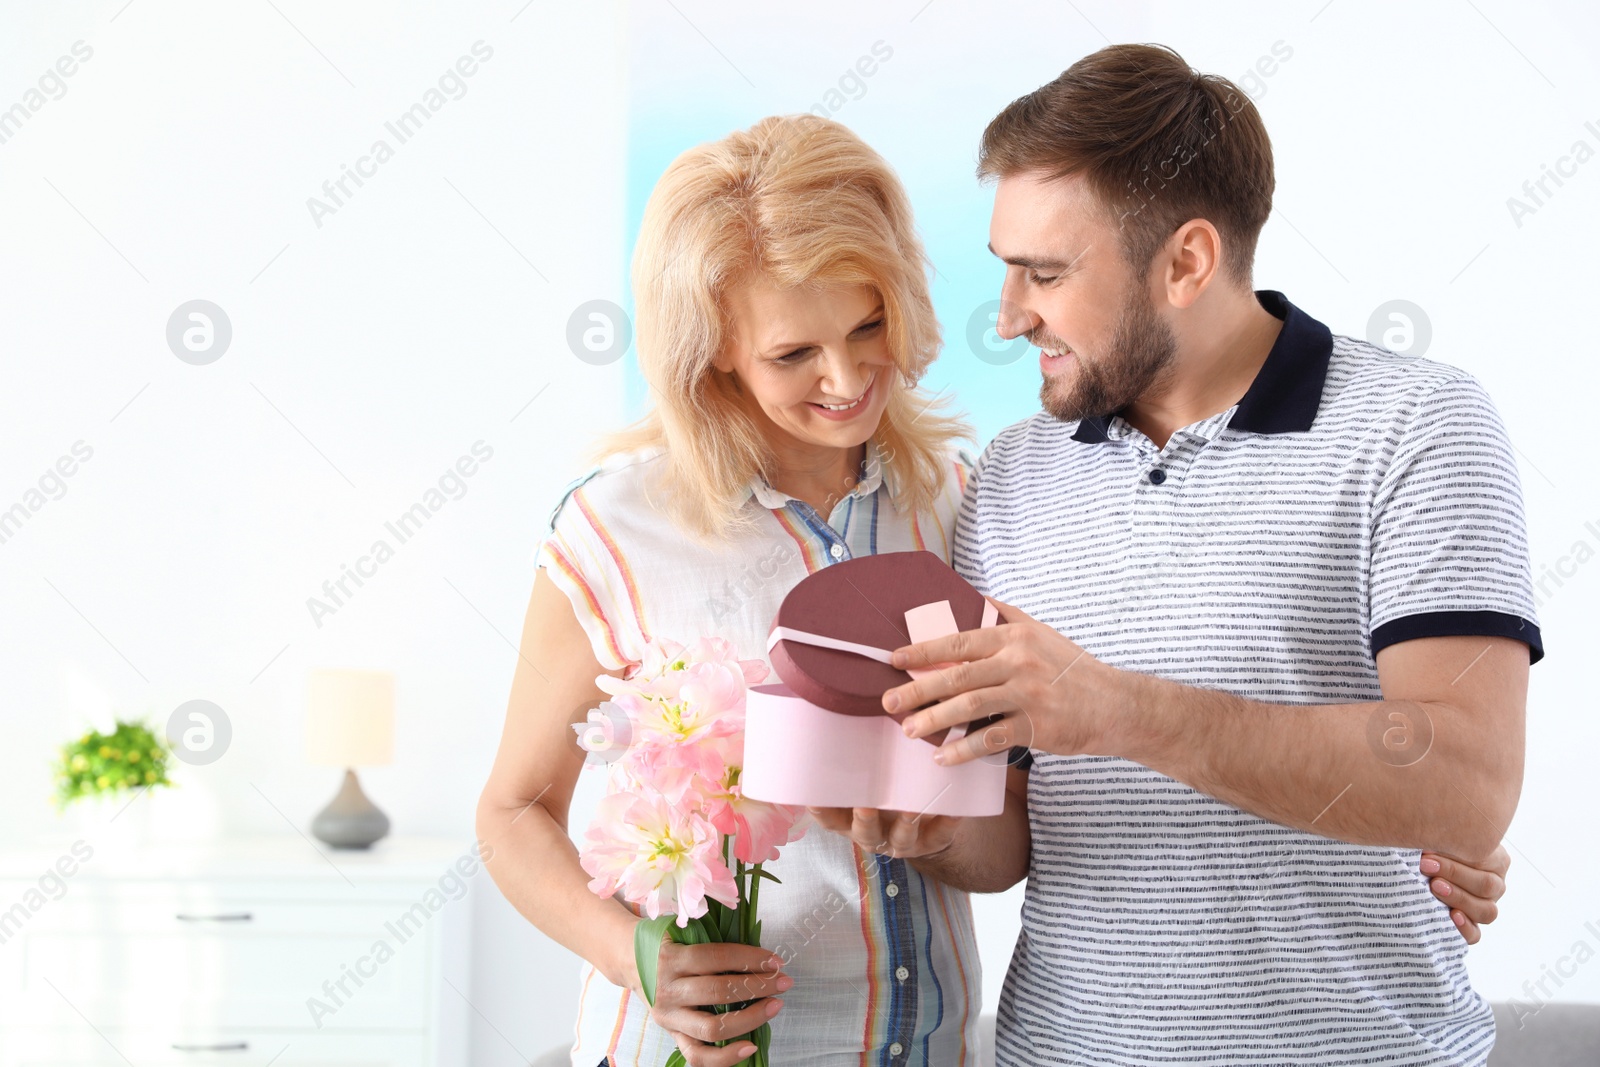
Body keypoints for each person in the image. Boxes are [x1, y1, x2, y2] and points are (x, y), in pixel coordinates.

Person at [819, 44, 1536, 1065]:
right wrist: (927, 826)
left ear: (1187, 261)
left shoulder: (1417, 426)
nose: (1011, 313)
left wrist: (1114, 707)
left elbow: (1464, 781)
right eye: (1005, 267)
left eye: (1048, 273)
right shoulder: (1010, 477)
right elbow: (1015, 826)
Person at [476, 113, 990, 1067]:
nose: (846, 377)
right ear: (712, 347)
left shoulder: (957, 505)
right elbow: (511, 813)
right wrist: (637, 957)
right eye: (794, 354)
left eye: (868, 322)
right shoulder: (616, 529)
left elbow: (998, 816)